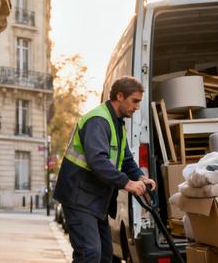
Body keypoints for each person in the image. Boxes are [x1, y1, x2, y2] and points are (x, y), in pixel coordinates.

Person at [52, 76, 157, 263]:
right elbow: (97, 161)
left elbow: (125, 159)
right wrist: (128, 184)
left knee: (105, 256)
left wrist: (141, 177)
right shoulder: (98, 121)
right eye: (135, 101)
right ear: (119, 96)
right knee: (89, 253)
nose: (137, 107)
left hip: (96, 200)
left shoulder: (117, 124)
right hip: (79, 198)